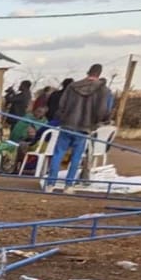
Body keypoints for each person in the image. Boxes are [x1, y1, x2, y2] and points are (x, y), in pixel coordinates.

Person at [44, 63, 112, 193]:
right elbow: (103, 110)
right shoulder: (103, 90)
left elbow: (62, 104)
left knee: (58, 154)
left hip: (67, 125)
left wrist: (62, 118)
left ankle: (50, 184)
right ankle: (68, 186)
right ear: (99, 74)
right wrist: (100, 121)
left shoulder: (73, 86)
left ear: (88, 72)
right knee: (76, 157)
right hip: (84, 127)